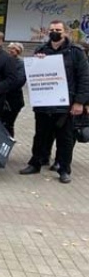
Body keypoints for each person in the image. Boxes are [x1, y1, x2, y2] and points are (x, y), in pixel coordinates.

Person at [19, 20, 89, 183]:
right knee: (40, 135)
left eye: (58, 29)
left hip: (66, 104)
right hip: (44, 103)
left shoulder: (76, 52)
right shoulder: (41, 50)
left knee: (65, 138)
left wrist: (79, 102)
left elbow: (84, 79)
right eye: (51, 30)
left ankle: (64, 169)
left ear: (65, 32)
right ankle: (36, 163)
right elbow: (33, 73)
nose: (54, 32)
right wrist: (37, 61)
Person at [1, 42, 27, 138]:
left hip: (14, 99)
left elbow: (19, 81)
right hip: (1, 97)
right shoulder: (4, 61)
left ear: (19, 51)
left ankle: (8, 143)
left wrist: (2, 86)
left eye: (14, 49)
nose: (11, 51)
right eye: (10, 49)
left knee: (8, 124)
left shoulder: (21, 64)